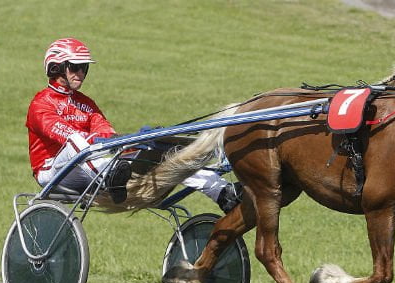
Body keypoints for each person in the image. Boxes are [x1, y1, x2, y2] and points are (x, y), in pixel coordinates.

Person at [26, 37, 241, 211]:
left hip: (91, 165)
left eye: (84, 67)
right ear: (57, 67)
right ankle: (111, 175)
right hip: (54, 172)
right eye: (75, 66)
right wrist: (101, 143)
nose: (81, 72)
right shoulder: (41, 104)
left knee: (163, 153)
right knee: (75, 141)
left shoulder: (85, 103)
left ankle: (221, 192)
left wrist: (130, 143)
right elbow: (66, 136)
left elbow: (104, 130)